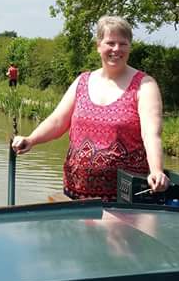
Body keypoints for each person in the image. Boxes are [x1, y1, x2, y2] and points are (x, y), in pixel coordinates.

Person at [10, 16, 169, 201]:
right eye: (110, 42)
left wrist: (156, 170)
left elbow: (151, 134)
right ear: (98, 46)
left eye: (123, 44)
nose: (116, 49)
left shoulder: (145, 85)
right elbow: (58, 120)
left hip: (121, 199)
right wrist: (31, 139)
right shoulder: (82, 81)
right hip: (74, 193)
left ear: (129, 47)